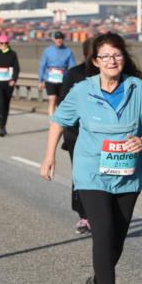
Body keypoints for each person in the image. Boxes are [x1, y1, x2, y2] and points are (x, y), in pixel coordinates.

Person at [40, 32, 142, 284]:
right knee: (103, 232)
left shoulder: (137, 89)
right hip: (91, 173)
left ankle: (97, 282)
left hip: (128, 174)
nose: (112, 61)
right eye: (106, 56)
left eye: (117, 55)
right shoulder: (82, 91)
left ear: (124, 58)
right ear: (95, 61)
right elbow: (59, 120)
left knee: (117, 239)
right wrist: (49, 157)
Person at [56, 37, 94, 235]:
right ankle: (84, 215)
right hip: (76, 134)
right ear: (87, 54)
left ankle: (99, 214)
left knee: (101, 174)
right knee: (80, 174)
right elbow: (62, 105)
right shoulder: (74, 74)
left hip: (101, 135)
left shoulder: (112, 75)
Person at [39, 30, 76, 117]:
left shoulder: (68, 51)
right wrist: (41, 80)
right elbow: (42, 65)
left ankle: (59, 120)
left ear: (63, 39)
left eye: (60, 38)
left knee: (61, 102)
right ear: (53, 40)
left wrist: (72, 80)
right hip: (50, 78)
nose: (59, 40)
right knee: (52, 99)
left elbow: (72, 67)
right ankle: (52, 121)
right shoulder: (47, 51)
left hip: (63, 79)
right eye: (57, 38)